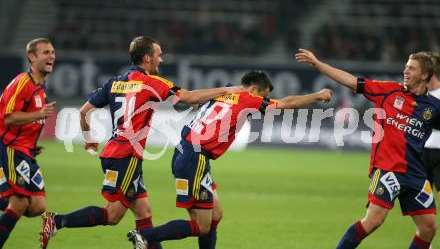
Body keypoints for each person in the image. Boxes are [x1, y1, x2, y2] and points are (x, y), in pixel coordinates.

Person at [39, 36, 241, 249]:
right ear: (147, 58)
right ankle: (57, 221)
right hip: (125, 157)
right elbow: (188, 97)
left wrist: (89, 140)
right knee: (112, 214)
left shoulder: (114, 82)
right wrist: (224, 90)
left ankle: (142, 240)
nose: (161, 60)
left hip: (117, 152)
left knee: (143, 212)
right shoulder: (151, 83)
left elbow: (84, 112)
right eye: (158, 55)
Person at [127, 70, 333, 249]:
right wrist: (317, 95)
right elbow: (287, 103)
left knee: (216, 214)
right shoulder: (248, 99)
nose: (262, 101)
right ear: (253, 90)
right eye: (263, 95)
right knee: (202, 226)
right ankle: (145, 236)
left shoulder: (224, 91)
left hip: (188, 153)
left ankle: (147, 237)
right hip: (194, 158)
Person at [295, 48, 440, 249]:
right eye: (406, 66)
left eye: (412, 68)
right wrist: (318, 64)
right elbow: (351, 81)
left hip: (415, 174)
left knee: (428, 228)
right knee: (373, 222)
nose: (405, 71)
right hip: (387, 169)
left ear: (424, 75)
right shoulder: (388, 90)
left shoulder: (433, 107)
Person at [0, 38, 56, 248]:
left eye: (52, 52)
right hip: (11, 148)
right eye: (45, 52)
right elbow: (8, 117)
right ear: (31, 57)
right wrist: (39, 114)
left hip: (26, 151)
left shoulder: (40, 87)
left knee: (37, 206)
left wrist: (31, 145)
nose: (51, 56)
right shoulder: (23, 83)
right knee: (20, 202)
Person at [422, 51, 440, 203]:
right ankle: (424, 228)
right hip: (420, 152)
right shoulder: (419, 95)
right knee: (422, 199)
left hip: (439, 151)